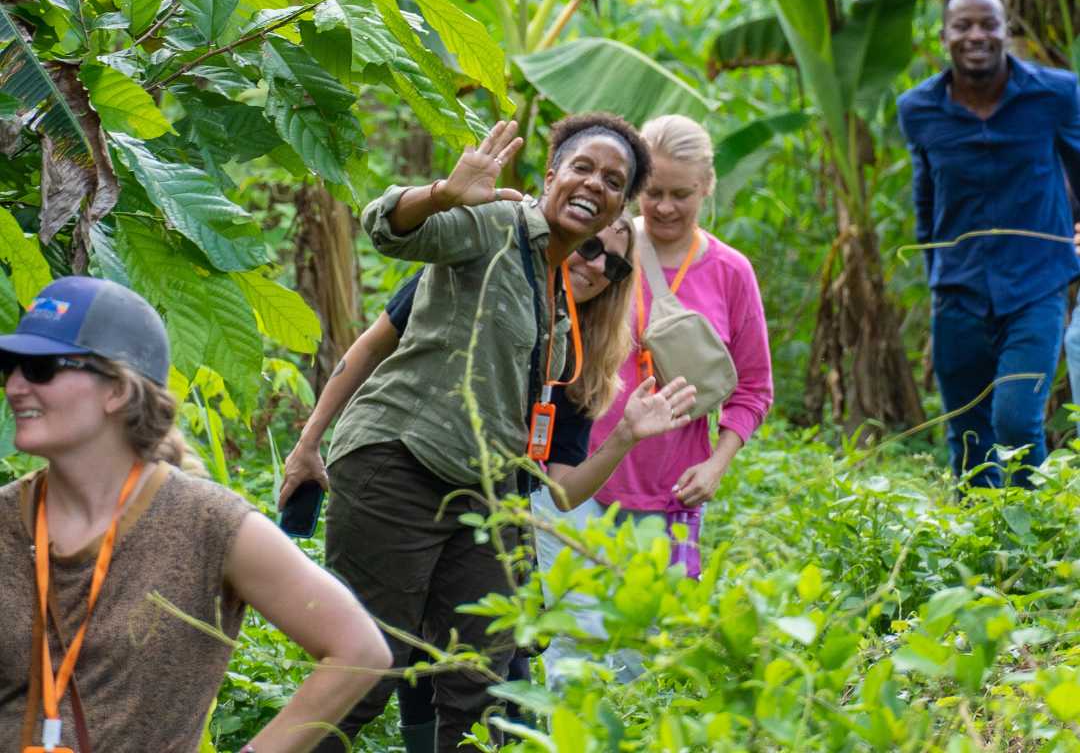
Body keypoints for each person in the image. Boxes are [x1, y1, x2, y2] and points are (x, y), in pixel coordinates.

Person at [307, 114, 696, 753]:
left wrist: (625, 434)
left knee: (486, 685)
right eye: (584, 168)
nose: (595, 185)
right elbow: (388, 228)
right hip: (399, 462)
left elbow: (552, 475)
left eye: (614, 181)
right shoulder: (494, 226)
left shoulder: (565, 323)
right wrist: (438, 195)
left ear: (620, 210)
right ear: (551, 176)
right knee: (368, 668)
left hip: (477, 495)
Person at [0, 276, 391, 753]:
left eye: (40, 368)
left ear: (117, 390)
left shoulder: (207, 522)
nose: (16, 386)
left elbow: (360, 650)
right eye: (11, 366)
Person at [897, 0, 1080, 488]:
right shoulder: (919, 109)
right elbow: (926, 200)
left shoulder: (1055, 95)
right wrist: (937, 282)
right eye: (963, 25)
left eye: (987, 24)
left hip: (1036, 286)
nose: (975, 35)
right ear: (944, 37)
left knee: (1016, 420)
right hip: (958, 293)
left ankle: (1029, 545)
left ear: (1006, 31)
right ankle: (979, 554)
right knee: (969, 436)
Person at [581, 114, 774, 577]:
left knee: (654, 639)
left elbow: (754, 387)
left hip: (673, 492)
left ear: (707, 185)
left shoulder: (731, 272)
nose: (665, 208)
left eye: (681, 195)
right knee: (576, 635)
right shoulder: (600, 248)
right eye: (653, 193)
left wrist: (716, 465)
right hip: (581, 480)